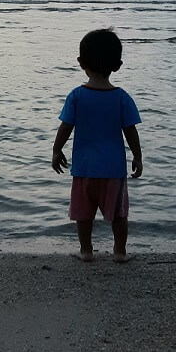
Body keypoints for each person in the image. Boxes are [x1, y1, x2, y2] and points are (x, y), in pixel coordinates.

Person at [51, 28, 143, 263]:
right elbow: (131, 131)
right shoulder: (122, 97)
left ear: (81, 62)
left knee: (84, 214)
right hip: (113, 170)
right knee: (119, 214)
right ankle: (120, 252)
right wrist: (137, 157)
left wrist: (56, 150)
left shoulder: (76, 96)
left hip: (84, 168)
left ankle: (86, 251)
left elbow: (66, 127)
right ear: (118, 65)